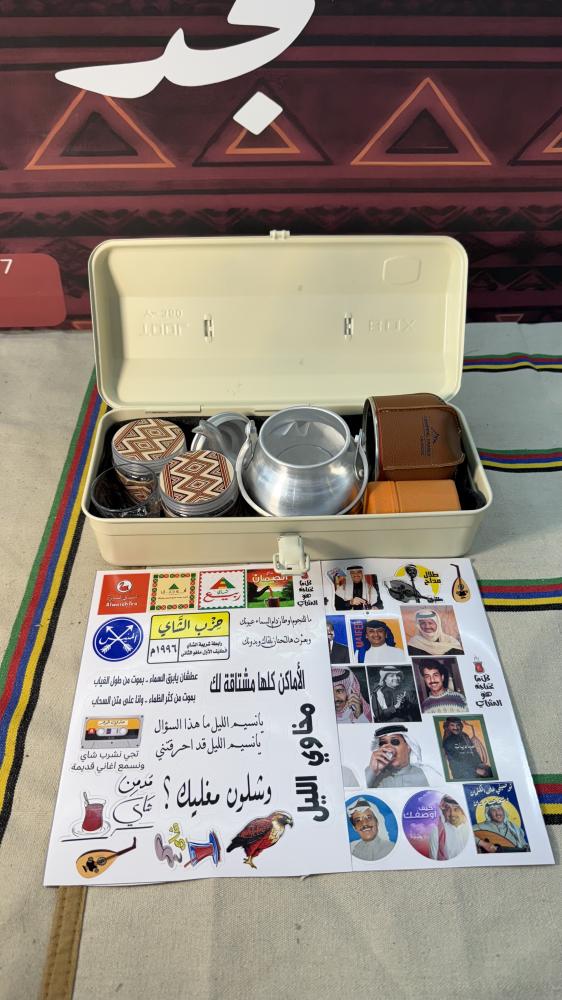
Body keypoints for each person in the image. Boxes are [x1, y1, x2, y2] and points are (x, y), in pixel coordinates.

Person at [365, 724, 439, 788]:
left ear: (408, 746)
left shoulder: (428, 774)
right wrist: (373, 771)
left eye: (395, 741)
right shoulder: (371, 775)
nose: (388, 747)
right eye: (383, 743)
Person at [428, 795, 470, 860]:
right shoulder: (436, 832)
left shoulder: (470, 829)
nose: (452, 814)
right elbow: (433, 860)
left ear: (462, 811)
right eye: (447, 809)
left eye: (456, 809)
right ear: (443, 811)